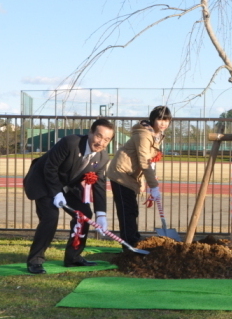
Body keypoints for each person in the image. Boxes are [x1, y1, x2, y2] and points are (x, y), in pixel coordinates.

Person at [24, 118, 115, 274]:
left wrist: (101, 214)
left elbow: (99, 185)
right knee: (50, 217)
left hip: (66, 187)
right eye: (99, 136)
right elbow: (50, 168)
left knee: (84, 214)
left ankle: (73, 257)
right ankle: (35, 260)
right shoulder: (70, 142)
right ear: (90, 132)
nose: (101, 142)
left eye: (107, 139)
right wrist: (56, 193)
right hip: (43, 181)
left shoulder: (102, 157)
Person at [107, 106, 172, 250]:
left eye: (166, 120)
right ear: (153, 119)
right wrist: (153, 186)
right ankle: (129, 244)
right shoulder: (144, 135)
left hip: (130, 175)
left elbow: (146, 161)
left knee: (132, 210)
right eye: (160, 119)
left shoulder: (156, 135)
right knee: (127, 210)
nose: (163, 123)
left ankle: (133, 239)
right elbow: (143, 160)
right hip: (121, 173)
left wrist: (142, 180)